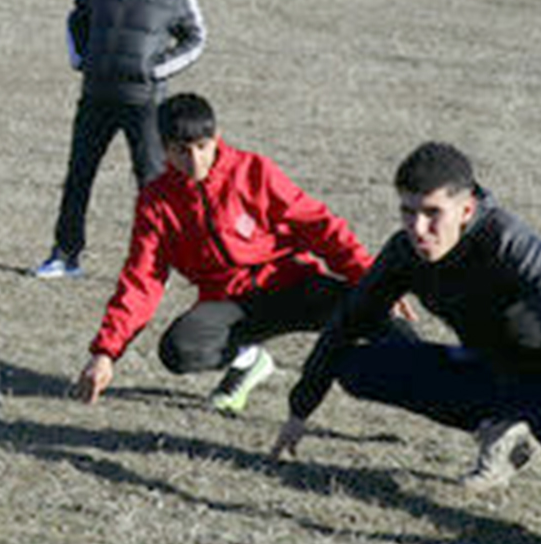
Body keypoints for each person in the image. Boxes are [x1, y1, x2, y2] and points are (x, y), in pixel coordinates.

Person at [268, 142, 541, 544]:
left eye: (432, 213)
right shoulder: (404, 251)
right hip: (486, 372)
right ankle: (500, 426)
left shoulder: (509, 241)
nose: (418, 228)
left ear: (466, 209)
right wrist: (300, 408)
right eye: (407, 212)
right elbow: (349, 321)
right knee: (358, 367)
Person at [75, 92, 384, 416]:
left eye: (202, 147)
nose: (195, 161)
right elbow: (142, 279)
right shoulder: (156, 202)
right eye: (182, 151)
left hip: (293, 286)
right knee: (179, 350)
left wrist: (370, 277)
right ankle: (249, 361)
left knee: (378, 314)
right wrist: (106, 352)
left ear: (216, 138)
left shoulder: (253, 172)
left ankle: (432, 378)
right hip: (230, 304)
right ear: (163, 148)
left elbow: (318, 226)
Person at [34, 0, 206, 279]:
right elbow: (76, 19)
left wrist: (155, 70)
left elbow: (196, 38)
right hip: (96, 95)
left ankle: (152, 264)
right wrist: (81, 59)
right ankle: (65, 255)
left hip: (145, 103)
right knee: (78, 175)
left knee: (151, 183)